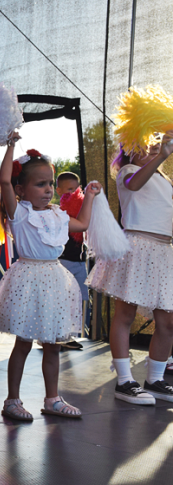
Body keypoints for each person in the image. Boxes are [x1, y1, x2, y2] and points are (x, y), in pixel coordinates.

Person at [0, 139, 100, 421]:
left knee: (52, 344)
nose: (48, 189)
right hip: (28, 279)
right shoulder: (20, 213)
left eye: (50, 183)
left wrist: (90, 197)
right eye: (40, 184)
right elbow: (4, 181)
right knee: (23, 343)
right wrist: (11, 146)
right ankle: (12, 399)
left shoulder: (58, 215)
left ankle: (52, 399)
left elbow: (82, 224)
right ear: (22, 189)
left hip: (54, 281)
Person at [87, 134, 173, 405]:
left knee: (168, 321)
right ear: (129, 151)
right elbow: (134, 185)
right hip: (137, 247)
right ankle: (124, 381)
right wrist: (161, 156)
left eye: (155, 147)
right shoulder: (128, 171)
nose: (152, 150)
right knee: (125, 314)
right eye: (146, 147)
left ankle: (155, 379)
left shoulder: (163, 179)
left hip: (163, 251)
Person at [55, 172, 88, 350]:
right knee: (62, 300)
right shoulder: (58, 213)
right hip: (63, 261)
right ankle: (56, 335)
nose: (73, 193)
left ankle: (69, 336)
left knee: (77, 301)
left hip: (79, 261)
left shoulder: (83, 210)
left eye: (76, 189)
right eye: (69, 190)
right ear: (58, 191)